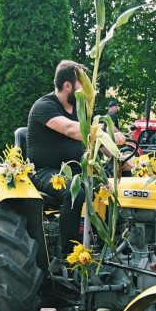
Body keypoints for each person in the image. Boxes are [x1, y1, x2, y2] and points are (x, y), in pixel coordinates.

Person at [28, 60, 126, 254]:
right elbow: (72, 130)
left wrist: (118, 155)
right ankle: (70, 256)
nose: (88, 91)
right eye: (83, 85)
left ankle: (117, 247)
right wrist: (109, 134)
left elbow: (96, 140)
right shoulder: (44, 107)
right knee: (74, 194)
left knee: (114, 189)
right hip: (44, 172)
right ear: (68, 86)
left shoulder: (80, 109)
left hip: (76, 171)